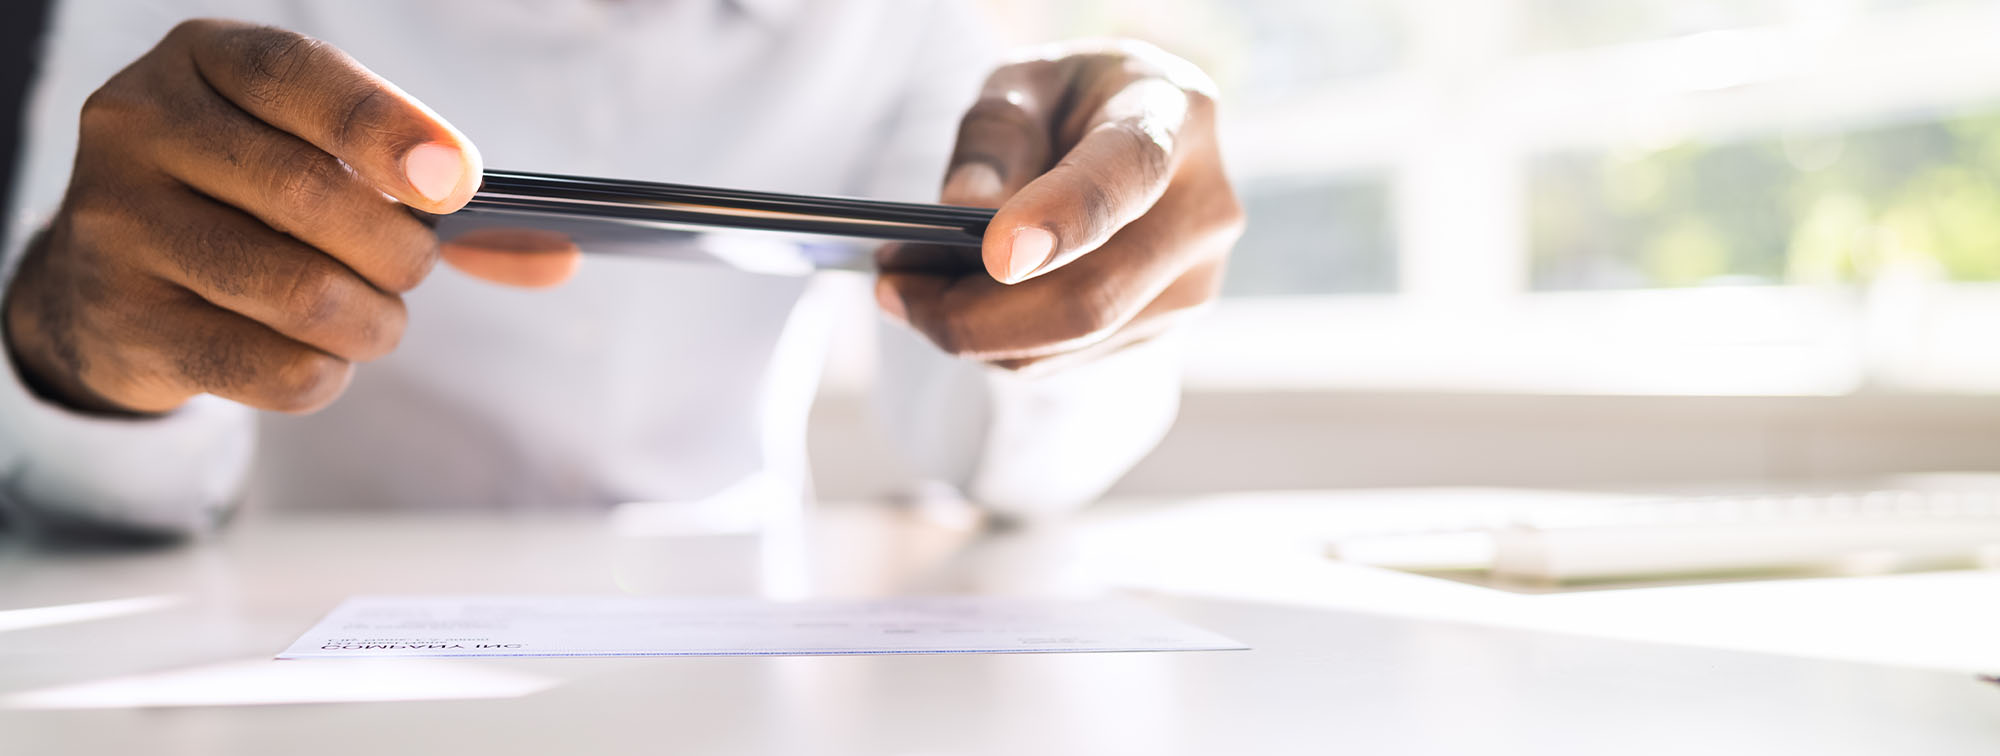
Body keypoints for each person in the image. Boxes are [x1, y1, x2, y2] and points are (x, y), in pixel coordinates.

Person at [0, 0, 1243, 538]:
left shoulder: (897, 20)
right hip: (268, 649)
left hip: (751, 647)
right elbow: (99, 500)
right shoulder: (182, 18)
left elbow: (992, 463)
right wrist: (77, 345)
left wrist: (1090, 289)